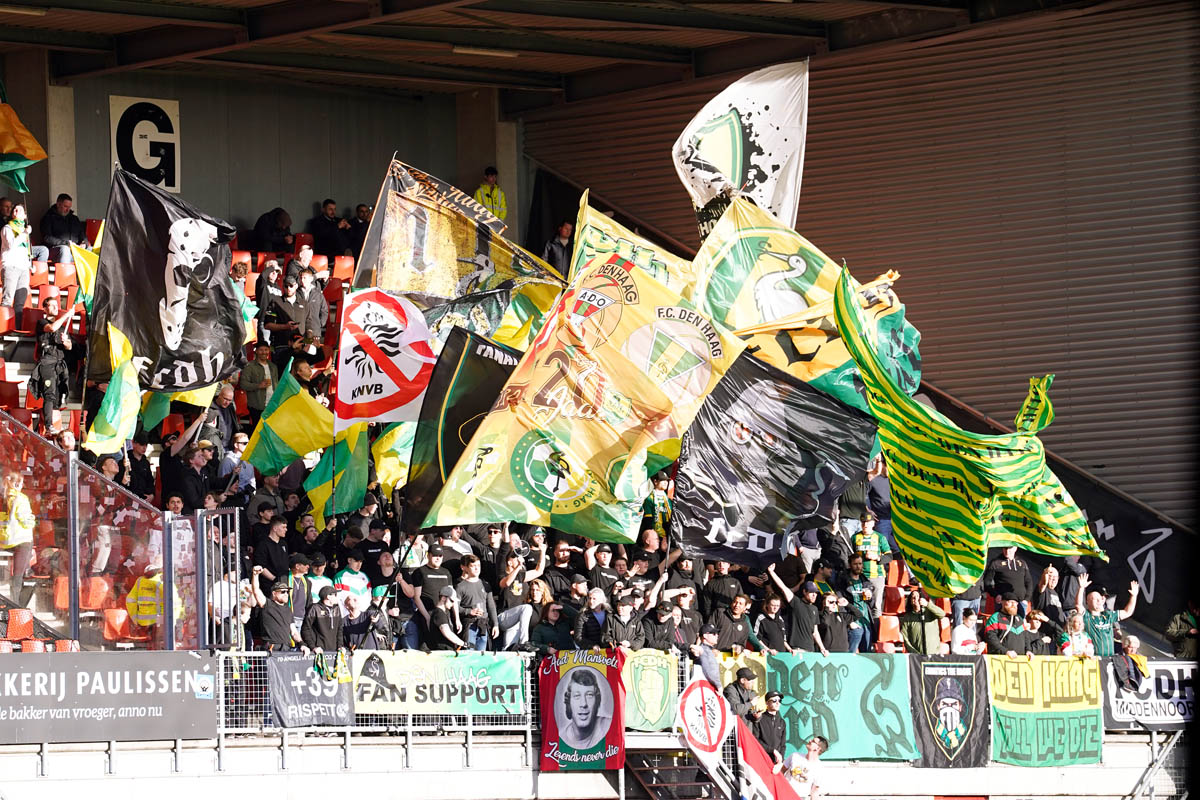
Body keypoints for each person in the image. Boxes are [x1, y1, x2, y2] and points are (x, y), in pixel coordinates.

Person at [30, 295, 73, 434]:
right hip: (47, 363)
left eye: (57, 305)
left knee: (58, 395)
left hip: (59, 364)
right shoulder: (42, 322)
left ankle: (55, 425)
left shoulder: (62, 328)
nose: (55, 307)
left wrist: (65, 341)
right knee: (49, 394)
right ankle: (49, 426)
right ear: (45, 308)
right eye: (52, 305)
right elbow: (52, 327)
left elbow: (69, 347)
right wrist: (66, 315)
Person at [768, 568, 825, 655]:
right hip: (796, 649)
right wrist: (771, 572)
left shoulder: (815, 609)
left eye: (816, 593)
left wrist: (822, 648)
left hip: (811, 649)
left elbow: (815, 632)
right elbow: (783, 587)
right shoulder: (796, 602)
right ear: (804, 591)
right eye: (811, 592)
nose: (814, 595)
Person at [2, 203, 48, 308]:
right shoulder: (7, 228)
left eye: (20, 210)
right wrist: (24, 233)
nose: (16, 212)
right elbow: (11, 245)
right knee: (7, 301)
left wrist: (29, 265)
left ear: (25, 216)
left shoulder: (24, 231)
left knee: (20, 303)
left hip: (23, 268)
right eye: (15, 210)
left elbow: (23, 252)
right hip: (11, 266)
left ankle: (17, 325)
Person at [0, 470, 35, 600]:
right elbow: (25, 520)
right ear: (16, 484)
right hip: (19, 539)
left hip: (4, 539)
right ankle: (16, 601)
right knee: (18, 573)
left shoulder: (3, 497)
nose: (22, 487)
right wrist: (33, 520)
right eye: (21, 484)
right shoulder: (21, 498)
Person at [560, 668, 611, 750]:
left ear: (597, 700)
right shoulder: (561, 738)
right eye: (577, 696)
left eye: (589, 695)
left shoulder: (609, 726)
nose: (583, 704)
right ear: (568, 701)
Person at [852, 513, 888, 615]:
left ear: (873, 523)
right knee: (860, 605)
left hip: (877, 576)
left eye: (868, 522)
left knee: (876, 607)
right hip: (860, 577)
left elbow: (889, 557)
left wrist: (876, 557)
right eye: (863, 522)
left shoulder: (880, 537)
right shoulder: (855, 537)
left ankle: (876, 630)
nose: (865, 525)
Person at [984, 546, 1035, 614]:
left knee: (1019, 623)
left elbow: (1029, 582)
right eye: (1005, 548)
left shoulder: (1022, 563)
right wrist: (996, 595)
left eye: (1010, 548)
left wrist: (1026, 599)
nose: (1007, 551)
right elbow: (986, 582)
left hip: (1020, 603)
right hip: (1003, 602)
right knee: (1003, 624)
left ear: (1015, 548)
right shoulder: (996, 563)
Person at [38, 193, 86, 264]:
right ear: (58, 204)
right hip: (56, 249)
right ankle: (65, 274)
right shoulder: (48, 218)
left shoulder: (74, 219)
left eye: (69, 207)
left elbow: (82, 234)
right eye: (65, 206)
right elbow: (47, 238)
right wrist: (66, 243)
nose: (68, 210)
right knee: (65, 249)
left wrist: (84, 243)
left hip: (76, 248)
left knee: (92, 250)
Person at [777, 735, 828, 800]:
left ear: (818, 748)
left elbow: (815, 790)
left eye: (813, 741)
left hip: (801, 797)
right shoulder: (795, 756)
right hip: (785, 794)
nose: (809, 741)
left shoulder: (819, 767)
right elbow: (781, 771)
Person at [899, 586, 946, 655]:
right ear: (910, 601)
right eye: (913, 597)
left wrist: (927, 604)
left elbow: (942, 614)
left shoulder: (930, 611)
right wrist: (914, 653)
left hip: (934, 654)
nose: (916, 599)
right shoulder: (908, 617)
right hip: (917, 656)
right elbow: (905, 638)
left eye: (918, 596)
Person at [300, 585, 344, 653]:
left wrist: (340, 646)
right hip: (319, 650)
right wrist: (313, 647)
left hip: (334, 650)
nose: (337, 597)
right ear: (328, 597)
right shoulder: (315, 608)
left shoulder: (337, 609)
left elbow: (340, 629)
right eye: (335, 595)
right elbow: (305, 629)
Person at [428, 585, 466, 651]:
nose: (453, 603)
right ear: (443, 598)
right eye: (451, 601)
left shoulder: (442, 613)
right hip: (442, 653)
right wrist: (463, 644)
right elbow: (447, 632)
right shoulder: (439, 614)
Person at [754, 691, 787, 766]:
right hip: (762, 760)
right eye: (774, 701)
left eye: (779, 701)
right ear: (767, 703)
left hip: (777, 762)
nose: (778, 703)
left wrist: (780, 758)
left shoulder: (782, 722)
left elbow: (783, 744)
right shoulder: (759, 719)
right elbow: (756, 739)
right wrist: (772, 750)